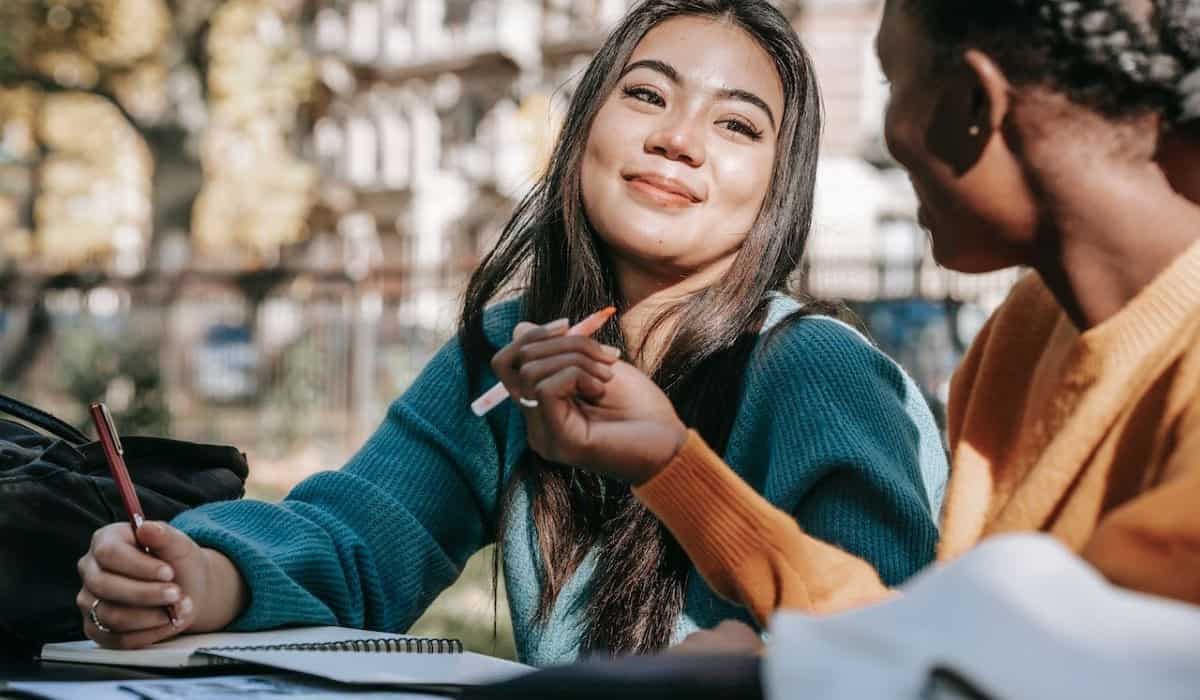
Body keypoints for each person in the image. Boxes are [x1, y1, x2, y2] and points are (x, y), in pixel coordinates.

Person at [74, 0, 949, 664]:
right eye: (646, 95)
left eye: (736, 124)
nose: (679, 139)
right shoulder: (511, 351)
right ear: (582, 133)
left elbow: (879, 640)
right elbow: (361, 536)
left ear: (778, 188)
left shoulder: (816, 369)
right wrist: (201, 579)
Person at [497, 0, 1200, 641]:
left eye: (892, 86)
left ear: (971, 105)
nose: (887, 135)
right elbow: (935, 641)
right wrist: (672, 466)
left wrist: (772, 675)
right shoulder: (1027, 332)